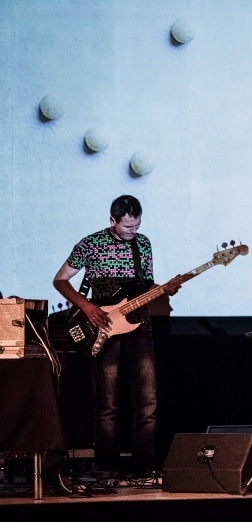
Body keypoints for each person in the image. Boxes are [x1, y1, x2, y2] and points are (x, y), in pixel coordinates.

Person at [53, 195, 179, 476]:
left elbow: (144, 286)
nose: (133, 232)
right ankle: (108, 467)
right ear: (112, 220)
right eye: (127, 227)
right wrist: (86, 306)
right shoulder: (91, 243)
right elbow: (60, 279)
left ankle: (145, 466)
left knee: (147, 402)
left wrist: (163, 289)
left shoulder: (143, 243)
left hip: (140, 326)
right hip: (105, 326)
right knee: (108, 404)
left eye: (137, 226)